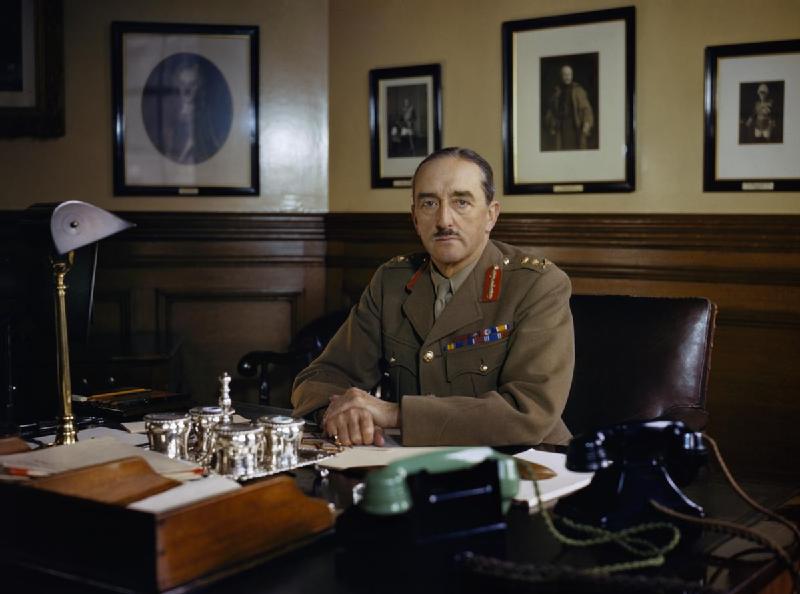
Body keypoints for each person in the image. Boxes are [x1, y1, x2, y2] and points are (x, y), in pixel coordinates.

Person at [291, 147, 574, 447]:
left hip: (526, 467)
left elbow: (528, 412)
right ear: (414, 218)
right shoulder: (393, 281)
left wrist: (396, 415)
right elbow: (321, 377)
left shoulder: (536, 285)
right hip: (415, 467)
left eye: (461, 202)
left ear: (491, 215)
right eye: (429, 203)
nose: (444, 220)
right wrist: (335, 412)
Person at [544, 64, 595, 150]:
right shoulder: (556, 92)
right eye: (565, 75)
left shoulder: (578, 91)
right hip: (561, 127)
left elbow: (586, 109)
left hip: (575, 127)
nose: (567, 77)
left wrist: (587, 123)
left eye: (569, 74)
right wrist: (552, 124)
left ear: (572, 75)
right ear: (561, 76)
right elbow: (551, 112)